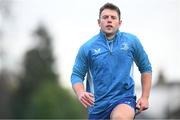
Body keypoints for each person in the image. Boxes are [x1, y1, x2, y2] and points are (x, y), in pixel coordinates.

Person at [70, 2, 152, 120]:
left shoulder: (131, 41)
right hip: (97, 107)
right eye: (105, 17)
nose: (109, 20)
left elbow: (146, 68)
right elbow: (76, 75)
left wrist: (145, 97)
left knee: (119, 118)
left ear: (119, 23)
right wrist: (80, 93)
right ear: (99, 22)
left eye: (113, 17)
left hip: (124, 100)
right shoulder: (87, 48)